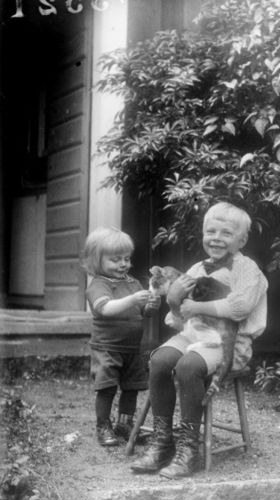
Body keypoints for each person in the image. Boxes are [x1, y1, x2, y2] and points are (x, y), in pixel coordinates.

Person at [131, 201, 268, 478]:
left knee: (188, 366)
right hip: (195, 334)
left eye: (226, 233)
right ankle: (163, 441)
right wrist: (172, 301)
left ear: (242, 239)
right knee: (159, 360)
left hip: (231, 343)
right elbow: (181, 321)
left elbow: (239, 307)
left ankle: (188, 447)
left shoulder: (247, 270)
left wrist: (197, 307)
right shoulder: (196, 269)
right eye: (211, 231)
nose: (217, 238)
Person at [83, 227, 154, 447]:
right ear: (97, 260)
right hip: (107, 347)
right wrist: (134, 299)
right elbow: (106, 309)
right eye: (115, 260)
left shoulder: (132, 282)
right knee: (107, 387)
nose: (123, 264)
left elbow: (140, 312)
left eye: (126, 258)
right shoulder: (98, 285)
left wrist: (150, 306)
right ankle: (103, 426)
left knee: (131, 386)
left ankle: (125, 424)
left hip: (132, 347)